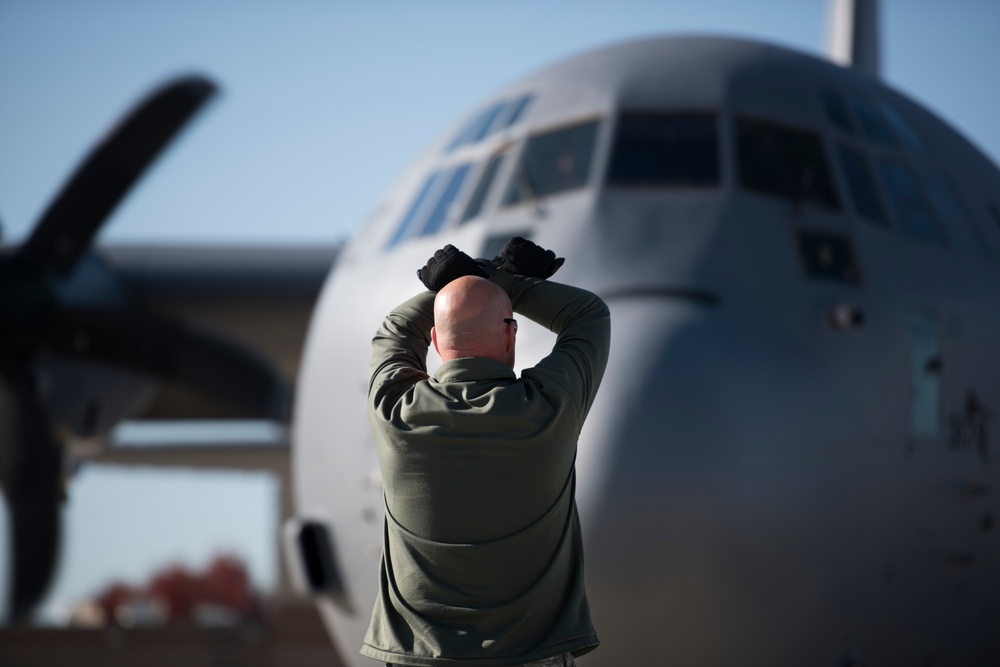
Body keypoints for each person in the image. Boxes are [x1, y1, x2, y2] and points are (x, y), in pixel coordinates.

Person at [362, 238, 611, 667]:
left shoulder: (396, 414)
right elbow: (588, 314)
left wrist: (466, 281)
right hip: (532, 656)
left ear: (437, 342)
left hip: (422, 658)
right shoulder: (548, 409)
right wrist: (503, 279)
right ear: (511, 337)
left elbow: (396, 330)